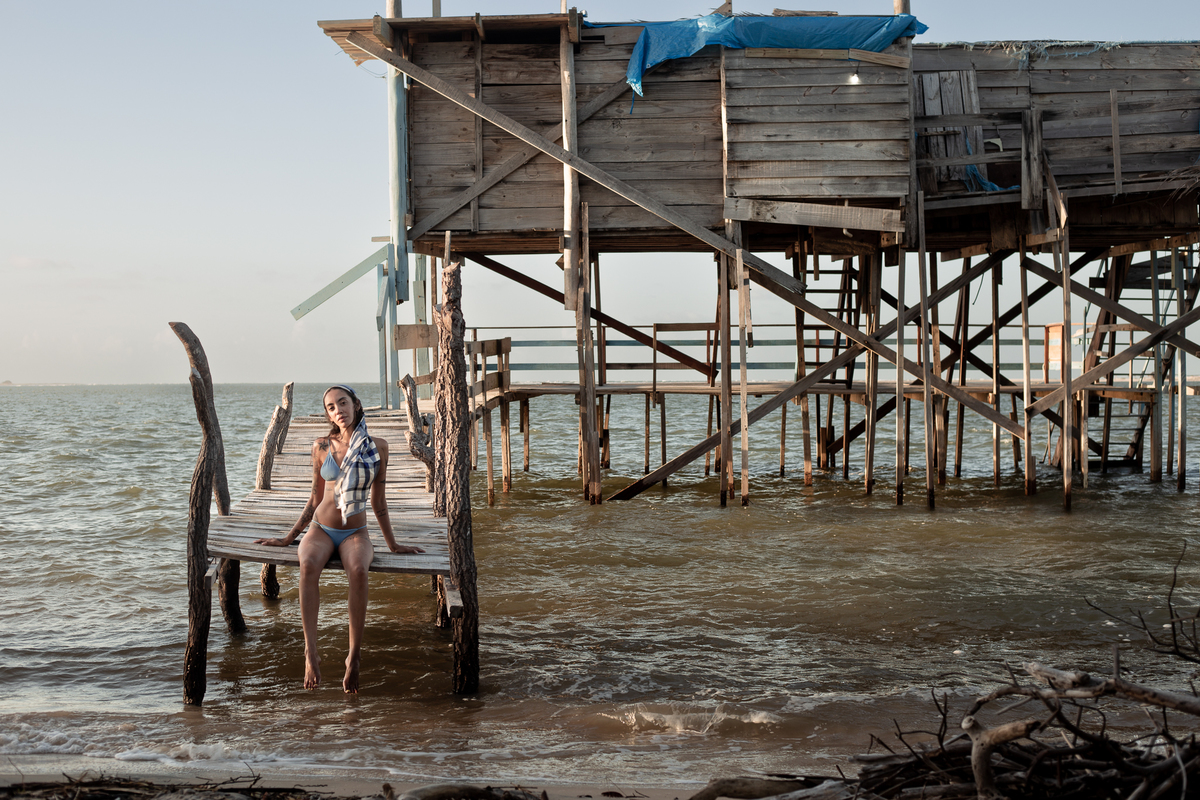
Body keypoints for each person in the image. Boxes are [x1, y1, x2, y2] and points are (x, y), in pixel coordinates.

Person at [256, 384, 423, 693]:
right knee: (307, 564)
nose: (338, 410)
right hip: (321, 528)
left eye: (342, 403)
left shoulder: (378, 447)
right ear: (328, 414)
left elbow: (379, 503)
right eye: (331, 407)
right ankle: (311, 652)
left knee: (359, 570)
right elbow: (313, 499)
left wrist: (393, 544)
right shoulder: (322, 447)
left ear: (356, 404)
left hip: (355, 532)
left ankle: (354, 656)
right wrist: (286, 538)